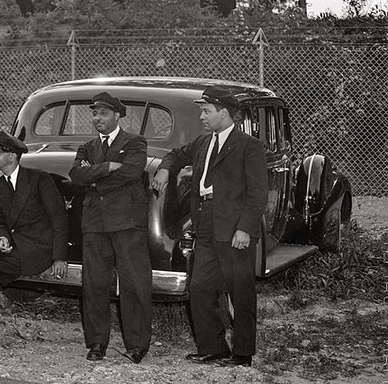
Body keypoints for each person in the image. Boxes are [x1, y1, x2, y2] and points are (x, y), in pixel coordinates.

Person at [152, 88, 268, 367]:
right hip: (205, 224)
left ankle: (242, 354)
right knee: (201, 287)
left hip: (234, 228)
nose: (202, 116)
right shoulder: (203, 143)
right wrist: (166, 169)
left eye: (206, 111)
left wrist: (245, 228)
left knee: (240, 291)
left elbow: (258, 194)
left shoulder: (249, 146)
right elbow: (176, 155)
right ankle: (213, 347)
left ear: (223, 113)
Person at [0, 130, 68, 352]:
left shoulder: (38, 179)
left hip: (38, 248)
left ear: (12, 156)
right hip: (13, 248)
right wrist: (1, 238)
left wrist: (60, 257)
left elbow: (59, 219)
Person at [68, 91, 152, 364]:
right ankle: (96, 342)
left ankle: (137, 344)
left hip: (127, 223)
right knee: (94, 285)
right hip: (94, 224)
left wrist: (96, 178)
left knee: (134, 284)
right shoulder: (87, 147)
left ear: (117, 115)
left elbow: (132, 172)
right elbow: (76, 175)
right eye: (94, 113)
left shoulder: (135, 142)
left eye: (103, 113)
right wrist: (107, 167)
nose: (97, 118)